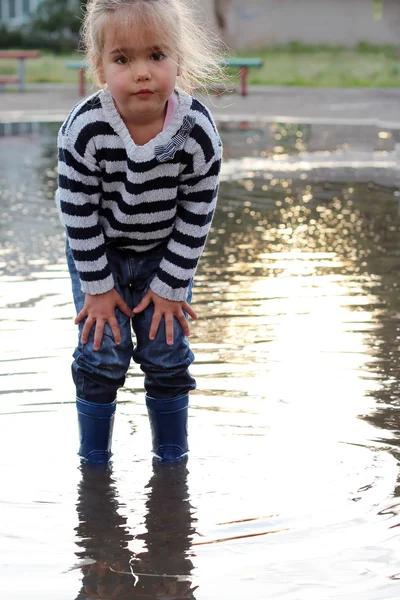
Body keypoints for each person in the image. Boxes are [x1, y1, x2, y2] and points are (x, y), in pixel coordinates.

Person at [56, 0, 224, 464]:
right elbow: (77, 212)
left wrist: (171, 287)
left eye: (156, 55)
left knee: (167, 352)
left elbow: (197, 212)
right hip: (99, 250)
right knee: (101, 352)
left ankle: (171, 460)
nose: (142, 73)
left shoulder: (197, 133)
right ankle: (94, 460)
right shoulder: (86, 129)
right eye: (123, 59)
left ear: (179, 60)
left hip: (165, 253)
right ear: (100, 67)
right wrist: (99, 288)